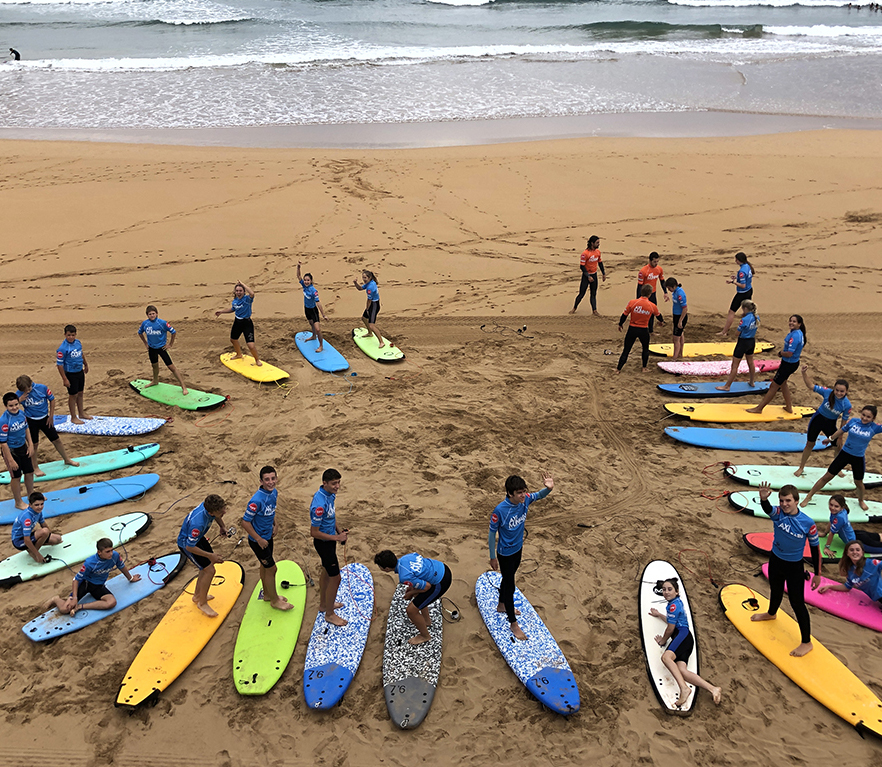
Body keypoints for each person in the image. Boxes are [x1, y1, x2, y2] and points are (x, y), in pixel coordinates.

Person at [750, 482, 820, 657]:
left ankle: (806, 642)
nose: (784, 504)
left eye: (788, 500)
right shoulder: (778, 514)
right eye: (781, 500)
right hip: (776, 560)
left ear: (796, 501)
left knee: (797, 603)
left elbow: (815, 549)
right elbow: (768, 509)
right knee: (776, 589)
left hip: (794, 566)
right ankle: (771, 613)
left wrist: (818, 574)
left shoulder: (807, 523)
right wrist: (763, 499)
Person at [488, 471, 554, 641]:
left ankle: (502, 605)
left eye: (524, 491)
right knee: (510, 585)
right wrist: (492, 557)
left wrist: (549, 488)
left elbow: (539, 495)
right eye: (519, 493)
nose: (523, 495)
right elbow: (491, 533)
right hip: (505, 553)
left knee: (508, 578)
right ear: (510, 494)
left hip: (518, 549)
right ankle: (513, 623)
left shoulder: (524, 500)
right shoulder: (500, 510)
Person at [647, 577, 722, 708]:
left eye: (669, 589)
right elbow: (673, 622)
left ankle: (684, 689)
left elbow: (670, 629)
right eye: (664, 589)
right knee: (682, 671)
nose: (666, 592)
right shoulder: (676, 603)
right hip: (686, 639)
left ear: (676, 591)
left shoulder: (673, 606)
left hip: (682, 637)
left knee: (666, 657)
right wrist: (659, 614)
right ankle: (713, 689)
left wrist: (662, 641)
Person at [801, 405, 882, 511]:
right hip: (844, 454)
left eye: (868, 417)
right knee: (827, 477)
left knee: (858, 482)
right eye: (863, 415)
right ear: (860, 413)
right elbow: (841, 430)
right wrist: (830, 438)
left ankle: (861, 500)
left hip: (858, 458)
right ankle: (809, 496)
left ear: (873, 419)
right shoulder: (853, 421)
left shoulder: (875, 427)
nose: (865, 418)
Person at [241, 465, 292, 611]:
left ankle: (268, 594)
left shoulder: (274, 492)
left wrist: (275, 525)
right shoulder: (256, 500)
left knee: (265, 567)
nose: (271, 482)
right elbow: (245, 522)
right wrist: (258, 539)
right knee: (272, 569)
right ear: (261, 481)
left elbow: (272, 511)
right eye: (267, 479)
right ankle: (275, 601)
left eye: (273, 478)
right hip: (258, 541)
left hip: (267, 536)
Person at [374, 550, 452, 645]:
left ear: (386, 569)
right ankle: (426, 621)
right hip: (442, 568)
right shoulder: (406, 557)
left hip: (441, 582)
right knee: (416, 594)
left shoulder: (404, 577)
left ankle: (425, 636)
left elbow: (427, 587)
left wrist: (411, 593)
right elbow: (419, 571)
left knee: (411, 610)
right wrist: (412, 588)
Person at [47, 537, 140, 616]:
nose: (111, 553)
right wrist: (75, 598)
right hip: (85, 584)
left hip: (98, 586)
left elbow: (121, 566)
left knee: (112, 603)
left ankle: (80, 607)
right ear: (99, 552)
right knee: (65, 609)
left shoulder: (115, 556)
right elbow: (76, 580)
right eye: (107, 551)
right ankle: (56, 599)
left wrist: (131, 578)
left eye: (112, 550)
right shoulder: (90, 562)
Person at [15, 375, 79, 477]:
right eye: (25, 390)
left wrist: (51, 416)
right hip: (31, 421)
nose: (27, 391)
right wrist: (20, 400)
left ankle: (67, 459)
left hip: (45, 419)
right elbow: (13, 408)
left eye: (28, 389)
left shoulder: (42, 388)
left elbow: (52, 400)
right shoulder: (19, 394)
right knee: (34, 445)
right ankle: (35, 467)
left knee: (56, 440)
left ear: (31, 383)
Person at [176, 494, 229, 617]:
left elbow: (217, 516)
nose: (224, 512)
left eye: (224, 508)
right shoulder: (198, 524)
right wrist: (210, 555)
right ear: (211, 512)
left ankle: (198, 596)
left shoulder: (209, 507)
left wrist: (222, 526)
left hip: (198, 539)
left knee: (205, 568)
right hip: (187, 544)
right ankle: (202, 603)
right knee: (210, 570)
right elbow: (189, 547)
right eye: (221, 511)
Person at [793, 366, 851, 477]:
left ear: (846, 391)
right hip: (818, 419)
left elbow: (844, 423)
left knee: (838, 446)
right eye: (837, 390)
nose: (839, 393)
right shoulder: (827, 393)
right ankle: (801, 467)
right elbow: (810, 386)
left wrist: (840, 436)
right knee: (810, 444)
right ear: (834, 389)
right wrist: (804, 373)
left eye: (842, 391)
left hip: (830, 424)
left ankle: (837, 468)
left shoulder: (847, 405)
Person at [310, 468, 348, 627]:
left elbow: (331, 516)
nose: (337, 486)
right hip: (323, 543)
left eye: (338, 482)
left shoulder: (330, 495)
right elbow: (314, 533)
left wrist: (339, 531)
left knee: (326, 571)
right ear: (324, 483)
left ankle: (324, 604)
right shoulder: (318, 505)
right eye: (334, 483)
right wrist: (336, 537)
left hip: (330, 540)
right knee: (336, 577)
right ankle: (330, 614)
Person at [746, 314, 806, 414]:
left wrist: (780, 353)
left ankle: (759, 409)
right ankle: (789, 407)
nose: (791, 323)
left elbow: (789, 354)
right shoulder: (797, 333)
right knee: (783, 383)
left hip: (788, 364)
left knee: (774, 385)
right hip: (790, 363)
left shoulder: (795, 335)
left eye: (794, 321)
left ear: (799, 324)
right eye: (790, 321)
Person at [138, 305, 188, 395]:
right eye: (150, 314)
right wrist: (145, 343)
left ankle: (183, 387)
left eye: (153, 314)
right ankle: (155, 381)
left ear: (157, 314)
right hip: (152, 348)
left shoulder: (162, 323)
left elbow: (173, 332)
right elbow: (140, 333)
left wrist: (170, 344)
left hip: (162, 348)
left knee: (171, 367)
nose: (152, 315)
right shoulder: (145, 323)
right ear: (147, 315)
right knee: (154, 366)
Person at [617, 285, 664, 373]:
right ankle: (644, 368)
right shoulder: (652, 305)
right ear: (650, 294)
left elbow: (624, 315)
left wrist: (620, 324)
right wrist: (661, 322)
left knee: (626, 349)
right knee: (645, 349)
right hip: (643, 330)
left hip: (632, 329)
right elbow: (658, 316)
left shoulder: (632, 302)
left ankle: (618, 369)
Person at [1, 393, 36, 511]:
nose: (14, 407)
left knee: (29, 472)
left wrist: (30, 445)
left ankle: (31, 495)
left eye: (16, 404)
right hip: (11, 451)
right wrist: (10, 460)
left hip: (23, 447)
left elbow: (26, 428)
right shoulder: (4, 421)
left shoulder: (21, 414)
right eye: (11, 406)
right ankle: (18, 502)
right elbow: (3, 443)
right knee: (16, 476)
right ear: (6, 406)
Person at [715, 300, 760, 392]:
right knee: (750, 362)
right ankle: (752, 381)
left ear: (745, 308)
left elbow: (737, 333)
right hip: (751, 341)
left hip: (743, 342)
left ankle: (727, 386)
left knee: (735, 365)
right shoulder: (756, 317)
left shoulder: (744, 320)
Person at [215, 281, 262, 367]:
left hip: (247, 323)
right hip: (237, 322)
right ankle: (238, 354)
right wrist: (221, 312)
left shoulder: (247, 299)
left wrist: (243, 284)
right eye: (237, 291)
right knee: (233, 339)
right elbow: (233, 309)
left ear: (244, 292)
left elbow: (252, 293)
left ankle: (257, 360)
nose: (238, 292)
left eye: (240, 291)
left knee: (251, 345)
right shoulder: (235, 301)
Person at [820, 494, 882, 559]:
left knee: (879, 549)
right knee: (877, 537)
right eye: (831, 505)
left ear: (842, 507)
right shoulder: (838, 512)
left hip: (856, 542)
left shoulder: (839, 517)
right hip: (857, 534)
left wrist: (826, 547)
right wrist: (824, 533)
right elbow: (831, 521)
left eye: (836, 506)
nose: (832, 508)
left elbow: (832, 533)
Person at [11, 492, 60, 563]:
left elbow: (44, 525)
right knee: (45, 532)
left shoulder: (38, 512)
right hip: (19, 541)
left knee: (57, 539)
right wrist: (38, 555)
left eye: (42, 504)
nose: (40, 507)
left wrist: (50, 537)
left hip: (28, 536)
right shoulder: (27, 518)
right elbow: (27, 540)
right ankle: (33, 553)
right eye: (36, 505)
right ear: (30, 505)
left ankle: (32, 548)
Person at [56, 324, 90, 424]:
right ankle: (73, 417)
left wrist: (86, 364)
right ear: (65, 335)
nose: (71, 337)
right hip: (70, 374)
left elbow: (81, 354)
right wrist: (64, 379)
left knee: (80, 393)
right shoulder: (63, 348)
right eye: (69, 335)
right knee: (73, 395)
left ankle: (81, 413)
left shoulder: (78, 343)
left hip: (79, 372)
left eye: (73, 335)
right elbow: (59, 365)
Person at [718, 252, 754, 336]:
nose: (735, 261)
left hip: (742, 293)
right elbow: (745, 279)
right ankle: (747, 328)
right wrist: (736, 278)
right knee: (747, 312)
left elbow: (742, 285)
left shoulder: (742, 271)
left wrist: (734, 282)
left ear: (739, 260)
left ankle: (724, 332)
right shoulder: (747, 266)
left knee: (731, 312)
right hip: (749, 291)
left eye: (736, 260)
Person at [297, 262, 330, 352]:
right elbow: (298, 276)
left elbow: (318, 303)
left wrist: (323, 315)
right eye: (305, 280)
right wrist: (298, 267)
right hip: (306, 309)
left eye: (308, 280)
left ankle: (321, 346)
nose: (306, 281)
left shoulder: (313, 291)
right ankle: (313, 336)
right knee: (311, 324)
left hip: (313, 310)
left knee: (318, 329)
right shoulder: (304, 285)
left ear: (311, 281)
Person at [569, 236, 605, 316]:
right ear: (592, 243)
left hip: (594, 275)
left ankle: (594, 310)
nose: (599, 244)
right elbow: (582, 266)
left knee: (593, 294)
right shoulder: (585, 254)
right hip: (586, 276)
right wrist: (588, 276)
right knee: (581, 294)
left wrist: (603, 273)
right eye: (597, 243)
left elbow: (600, 263)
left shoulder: (598, 252)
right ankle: (574, 308)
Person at [636, 252, 668, 333]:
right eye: (654, 261)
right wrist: (638, 299)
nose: (656, 263)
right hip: (644, 295)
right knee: (642, 313)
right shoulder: (643, 271)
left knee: (653, 312)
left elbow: (662, 281)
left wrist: (665, 292)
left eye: (657, 261)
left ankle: (651, 331)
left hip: (653, 294)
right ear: (650, 260)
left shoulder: (659, 269)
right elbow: (639, 286)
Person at [353, 270, 383, 348]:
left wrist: (367, 309)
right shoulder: (370, 283)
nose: (363, 279)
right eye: (363, 277)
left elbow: (369, 301)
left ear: (369, 277)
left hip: (374, 305)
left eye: (365, 277)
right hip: (372, 304)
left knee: (371, 325)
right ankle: (370, 333)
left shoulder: (370, 287)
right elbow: (360, 288)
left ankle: (381, 342)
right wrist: (355, 283)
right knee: (363, 318)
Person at [664, 277, 687, 361]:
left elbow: (685, 309)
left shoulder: (680, 294)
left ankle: (674, 358)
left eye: (669, 288)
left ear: (673, 286)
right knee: (680, 335)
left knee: (675, 338)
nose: (669, 290)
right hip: (676, 316)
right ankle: (680, 354)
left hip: (681, 317)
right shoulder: (675, 292)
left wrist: (680, 321)